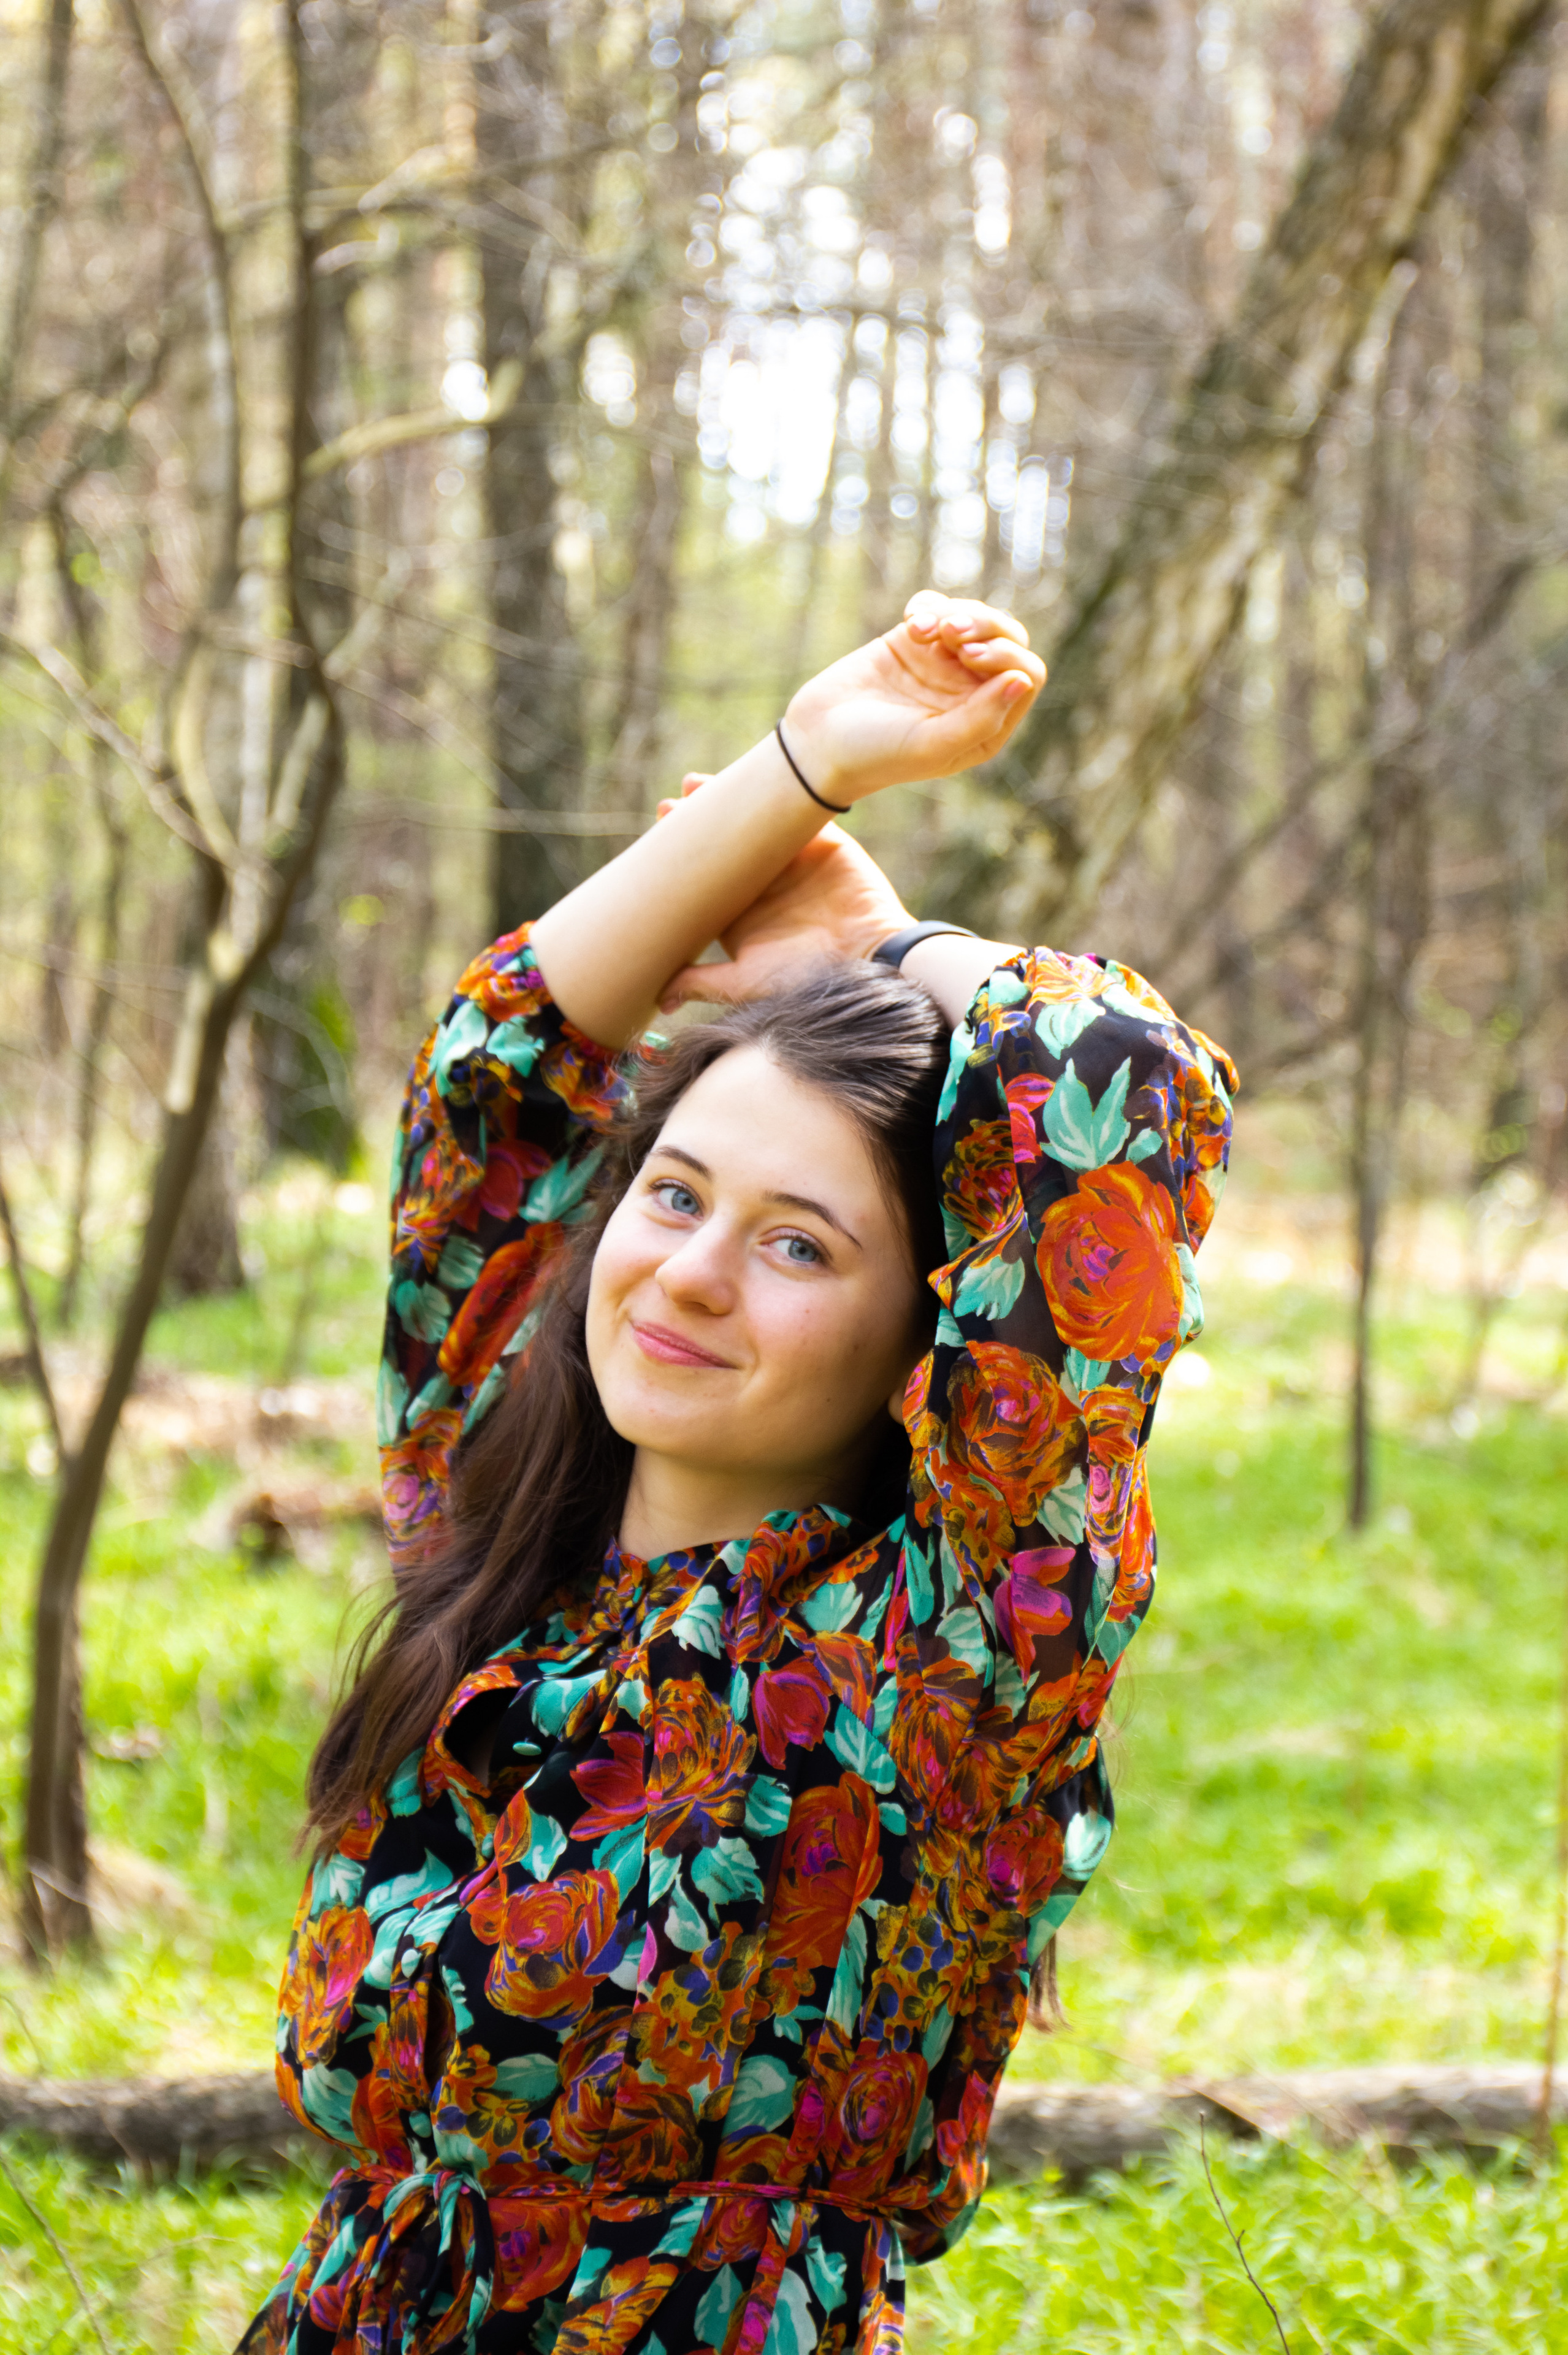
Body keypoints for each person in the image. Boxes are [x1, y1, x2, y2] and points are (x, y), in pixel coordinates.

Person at [239, 592, 1236, 2355]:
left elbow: (1111, 1083)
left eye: (799, 1247)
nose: (688, 1272)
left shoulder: (950, 1662)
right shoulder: (490, 1544)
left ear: (929, 1337)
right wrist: (797, 769)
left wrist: (878, 937)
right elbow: (498, 1079)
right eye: (679, 1194)